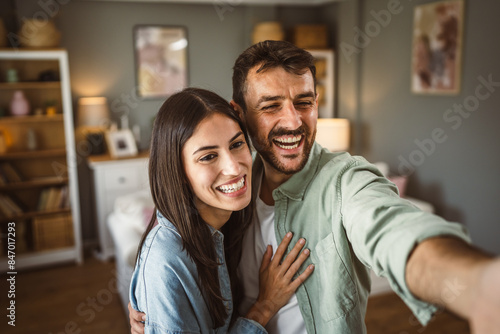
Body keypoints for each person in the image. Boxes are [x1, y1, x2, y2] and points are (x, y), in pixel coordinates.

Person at [130, 41, 500, 333]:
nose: (293, 122)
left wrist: (476, 284)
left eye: (303, 102)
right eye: (271, 106)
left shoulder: (345, 181)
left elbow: (393, 229)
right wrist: (157, 301)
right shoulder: (232, 191)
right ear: (239, 113)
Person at [129, 87, 314, 333]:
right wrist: (264, 307)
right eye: (208, 157)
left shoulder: (231, 222)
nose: (234, 168)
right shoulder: (166, 262)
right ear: (178, 171)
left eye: (237, 144)